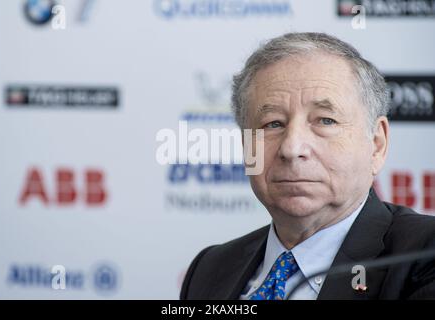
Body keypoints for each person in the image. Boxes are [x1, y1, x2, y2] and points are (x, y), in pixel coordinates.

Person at [180, 32, 435, 300]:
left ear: (376, 143)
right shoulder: (210, 268)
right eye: (273, 123)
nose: (292, 148)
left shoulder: (424, 256)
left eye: (325, 121)